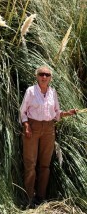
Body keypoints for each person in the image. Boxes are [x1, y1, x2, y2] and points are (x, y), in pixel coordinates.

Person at [19, 65, 77, 208]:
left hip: (49, 129)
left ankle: (41, 197)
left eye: (47, 75)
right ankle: (29, 198)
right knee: (30, 164)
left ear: (51, 78)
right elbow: (22, 112)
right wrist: (26, 126)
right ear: (37, 76)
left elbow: (56, 112)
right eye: (41, 74)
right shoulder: (31, 91)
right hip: (32, 127)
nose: (44, 77)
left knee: (45, 165)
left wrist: (67, 113)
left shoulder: (53, 92)